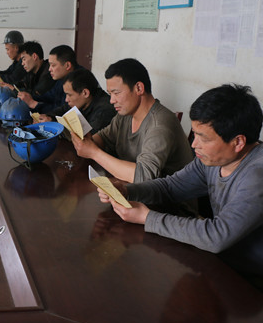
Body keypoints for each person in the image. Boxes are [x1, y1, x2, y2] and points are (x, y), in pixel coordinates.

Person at [97, 84, 263, 289]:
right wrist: (127, 190)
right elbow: (170, 187)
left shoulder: (257, 175)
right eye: (195, 134)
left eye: (204, 138)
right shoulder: (210, 160)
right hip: (219, 263)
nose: (194, 145)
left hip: (251, 281)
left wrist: (147, 218)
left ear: (238, 142)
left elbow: (217, 236)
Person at [71, 58, 193, 183]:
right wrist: (86, 141)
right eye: (110, 94)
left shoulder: (160, 124)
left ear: (139, 88)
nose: (111, 100)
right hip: (134, 188)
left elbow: (144, 176)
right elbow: (104, 139)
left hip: (169, 194)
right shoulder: (125, 115)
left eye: (116, 93)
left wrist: (93, 152)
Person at [42, 69, 116, 133]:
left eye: (69, 95)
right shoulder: (81, 102)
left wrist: (54, 125)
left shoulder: (104, 111)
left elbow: (88, 138)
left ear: (85, 93)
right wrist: (48, 117)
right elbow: (62, 110)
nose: (66, 99)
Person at [22, 44, 81, 115]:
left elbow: (64, 111)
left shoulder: (79, 80)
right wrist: (29, 97)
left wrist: (34, 104)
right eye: (49, 65)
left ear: (67, 65)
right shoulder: (62, 78)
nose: (49, 69)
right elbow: (50, 96)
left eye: (53, 65)